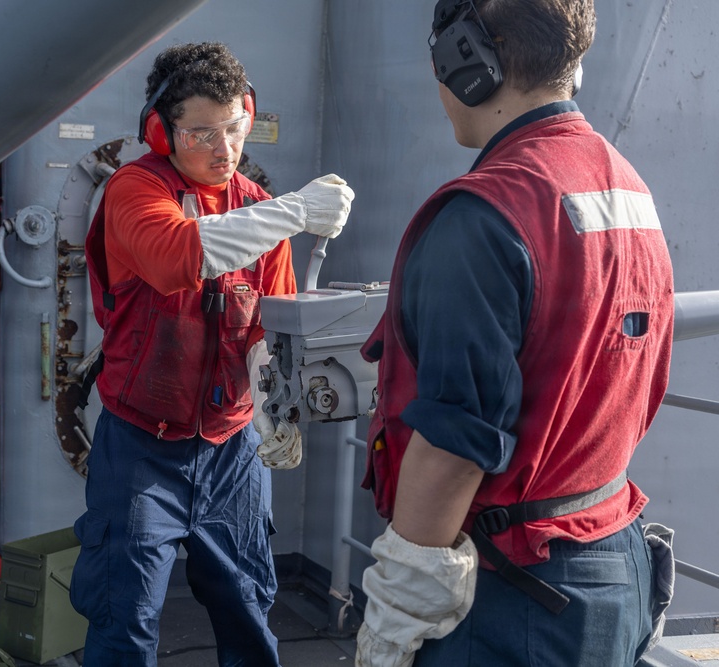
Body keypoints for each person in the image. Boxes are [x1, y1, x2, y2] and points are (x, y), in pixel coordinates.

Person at [355, 2, 674, 666]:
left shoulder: (485, 215)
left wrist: (398, 609)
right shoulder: (628, 189)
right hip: (609, 565)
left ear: (463, 62)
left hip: (513, 595)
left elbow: (455, 447)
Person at [72, 41, 354, 666]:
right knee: (126, 620)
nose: (224, 149)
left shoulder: (260, 208)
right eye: (201, 132)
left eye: (234, 128)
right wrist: (296, 211)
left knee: (248, 613)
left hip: (233, 452)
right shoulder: (133, 190)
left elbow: (266, 328)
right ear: (161, 132)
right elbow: (180, 257)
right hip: (141, 447)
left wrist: (271, 412)